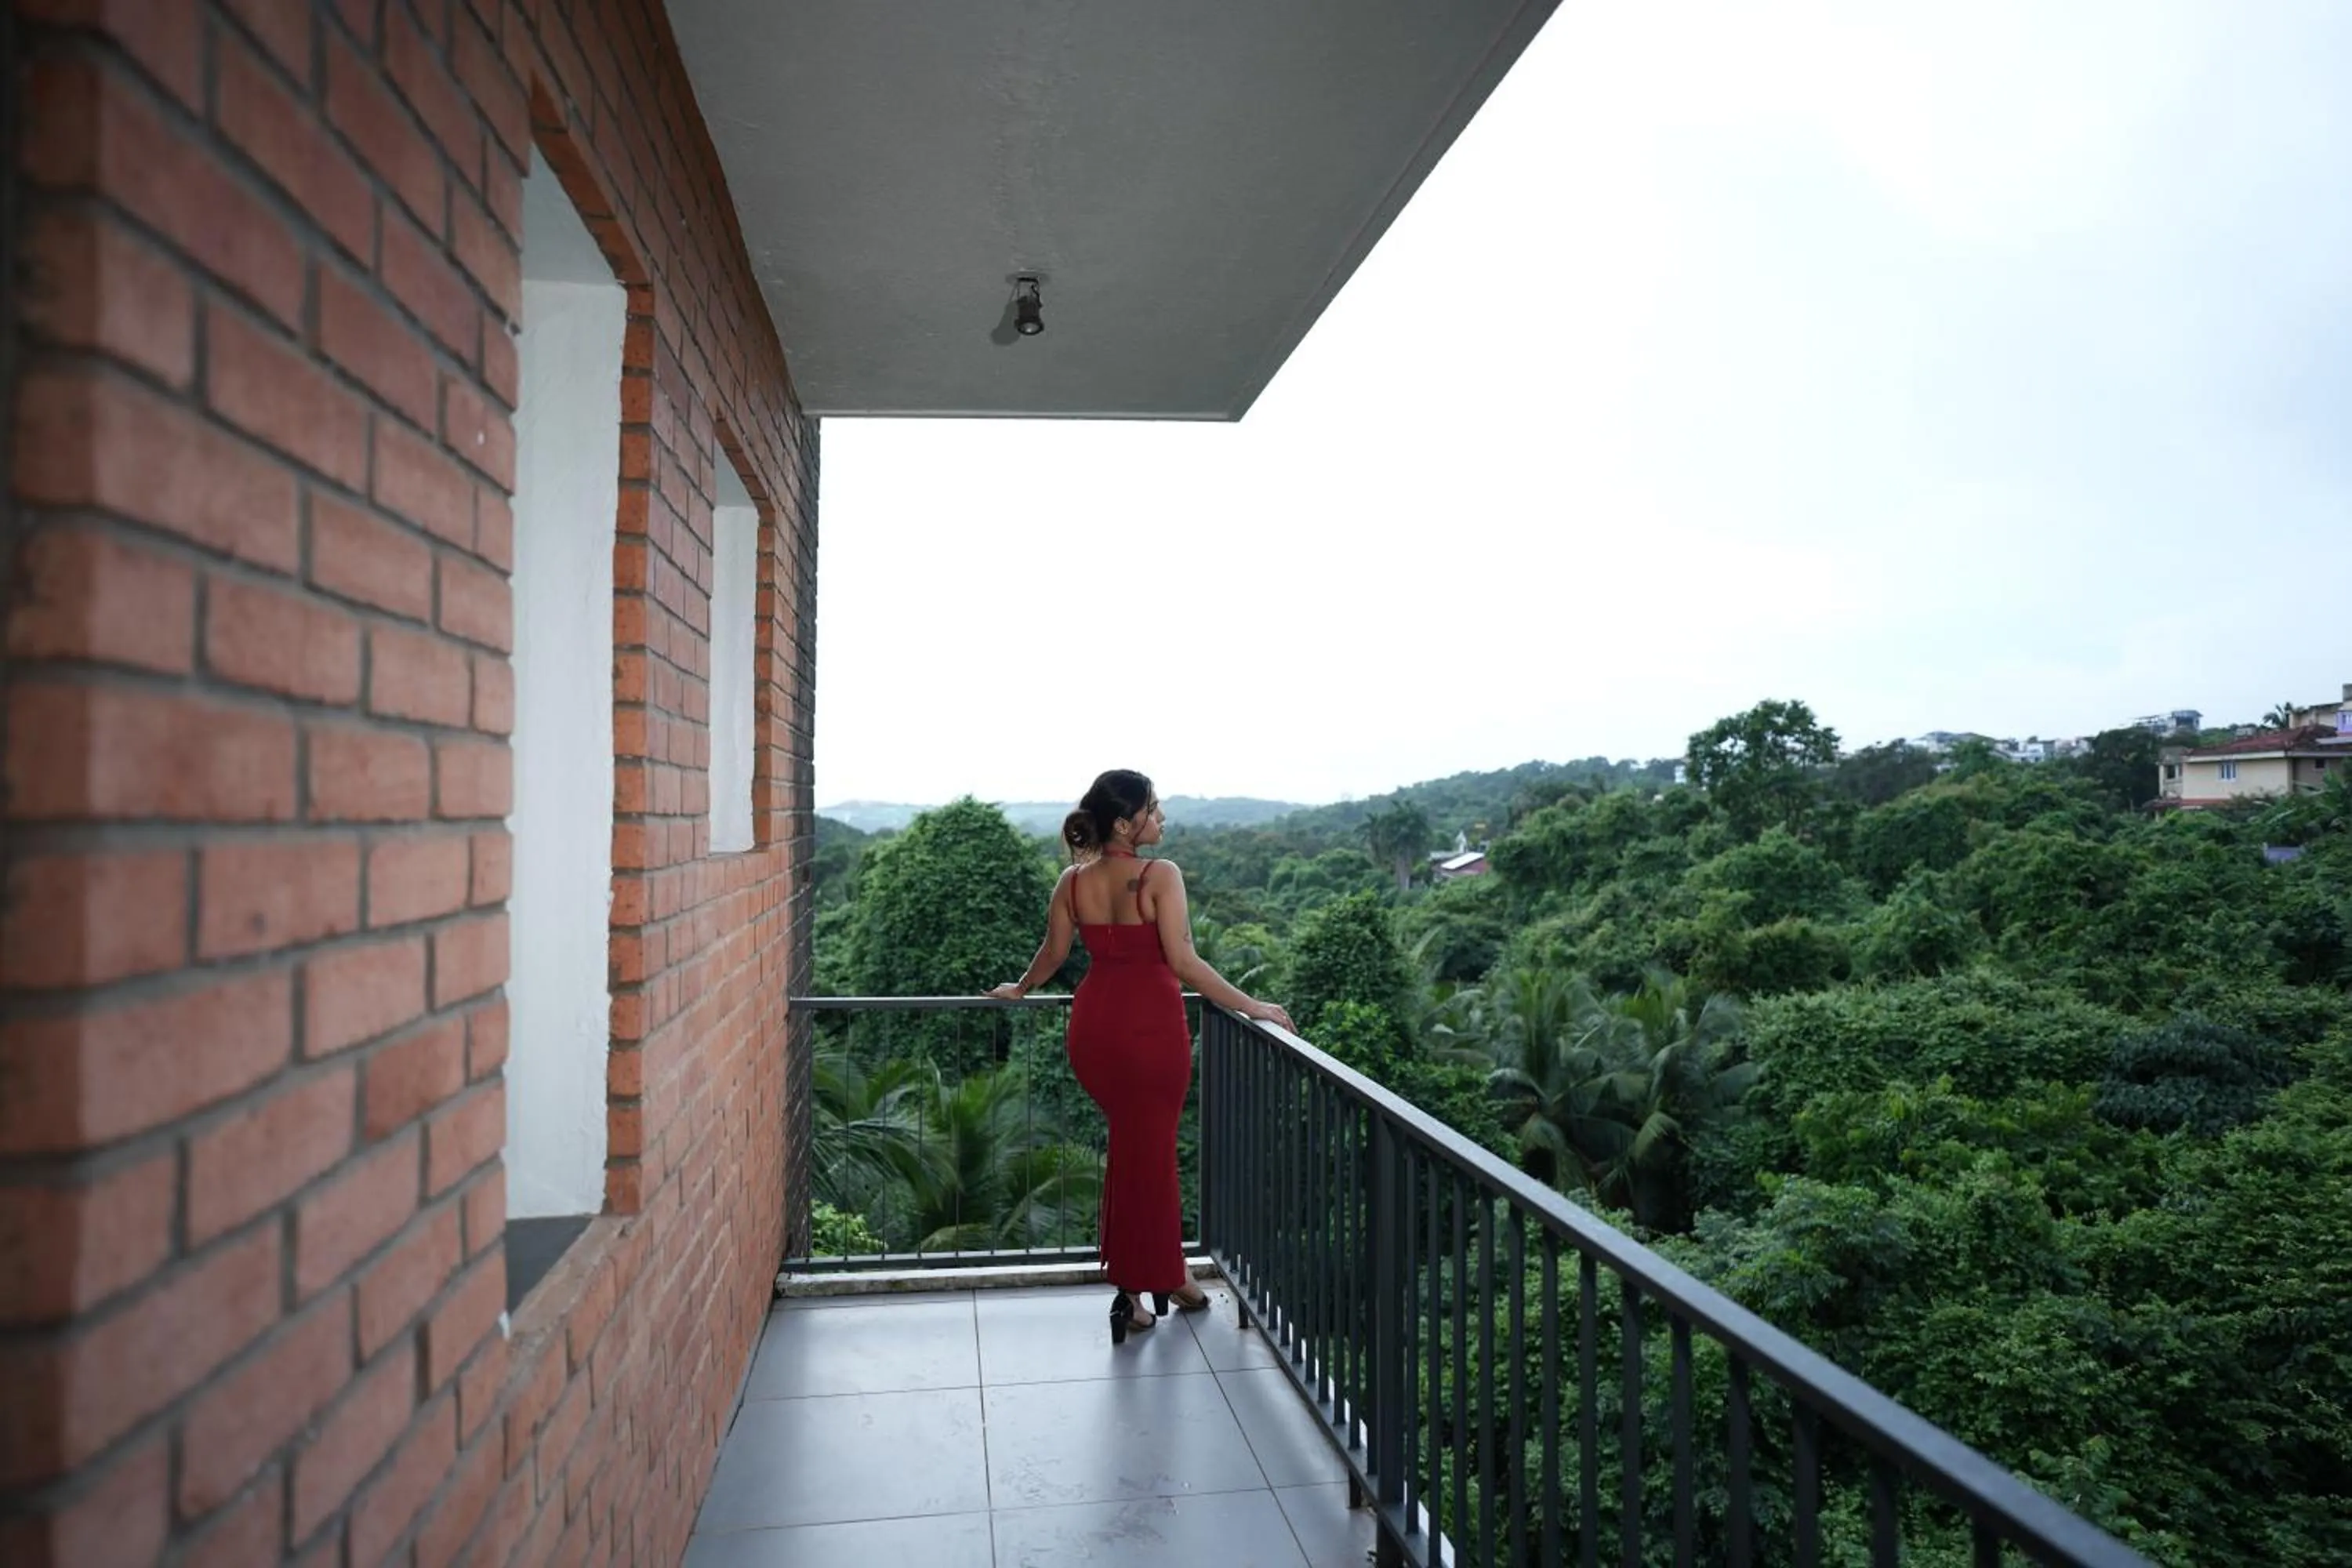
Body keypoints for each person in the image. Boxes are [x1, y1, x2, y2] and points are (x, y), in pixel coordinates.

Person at [989, 770, 1294, 1344]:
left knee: (1136, 1155)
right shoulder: (1160, 875)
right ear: (1126, 824)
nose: (1162, 819)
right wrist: (1254, 1006)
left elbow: (1054, 953)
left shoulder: (1073, 882)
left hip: (1094, 1033)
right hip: (1149, 1034)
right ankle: (1153, 1283)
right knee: (1148, 1160)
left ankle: (1148, 1284)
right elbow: (1184, 962)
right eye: (1154, 810)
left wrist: (1021, 988)